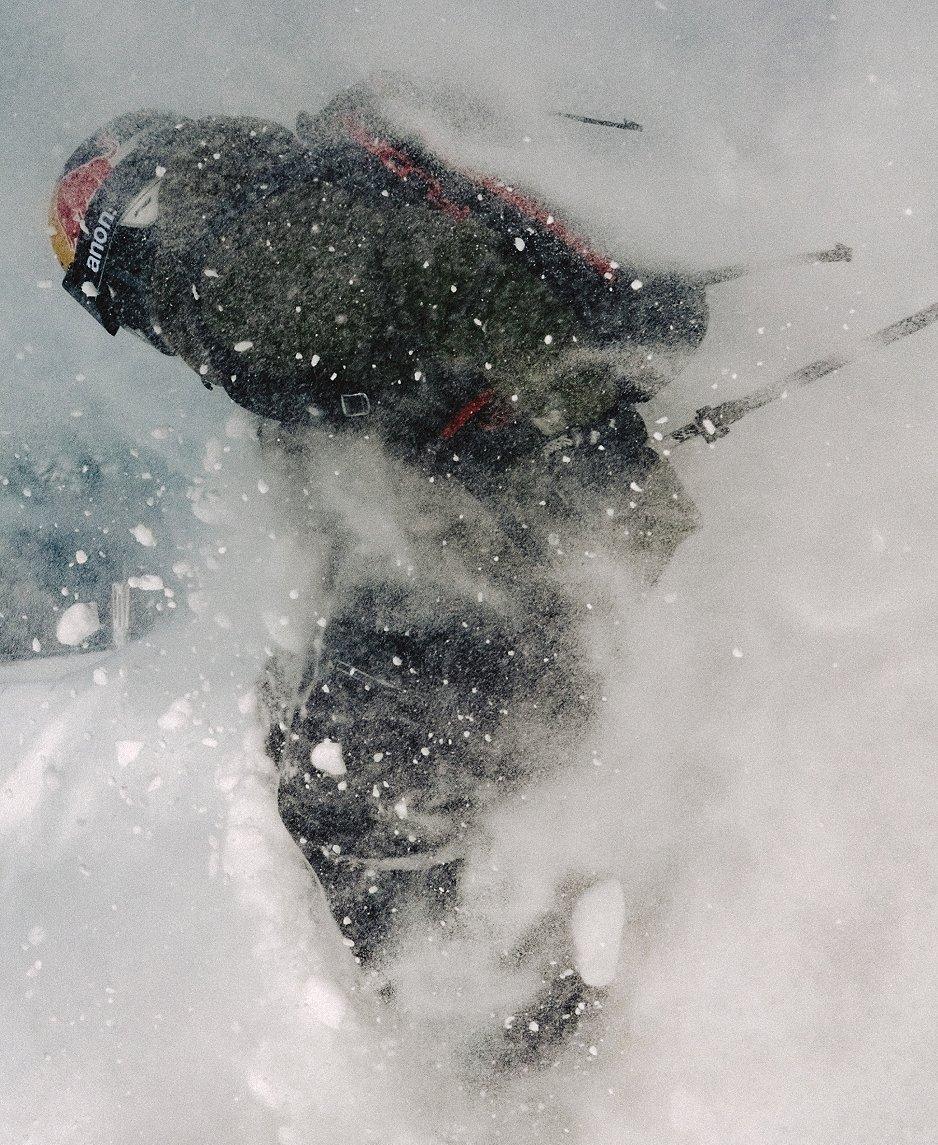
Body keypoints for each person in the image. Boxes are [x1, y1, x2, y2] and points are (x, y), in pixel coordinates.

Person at [49, 77, 702, 1064]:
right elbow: (358, 422)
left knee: (350, 785)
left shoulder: (230, 273)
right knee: (356, 742)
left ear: (112, 241)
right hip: (528, 514)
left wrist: (574, 429)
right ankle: (536, 982)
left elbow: (449, 281)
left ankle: (519, 1048)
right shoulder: (282, 216)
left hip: (539, 520)